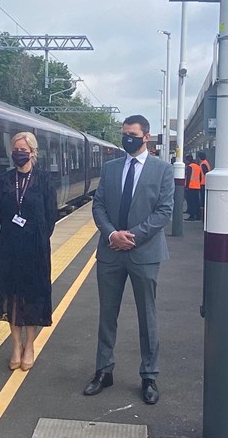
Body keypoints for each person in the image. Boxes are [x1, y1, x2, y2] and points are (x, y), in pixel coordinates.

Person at [83, 115, 174, 405]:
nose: (127, 139)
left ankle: (149, 375)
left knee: (147, 316)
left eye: (132, 134)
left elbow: (164, 211)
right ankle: (103, 370)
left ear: (146, 136)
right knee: (107, 315)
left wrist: (131, 236)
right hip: (110, 252)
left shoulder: (163, 170)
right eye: (124, 134)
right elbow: (98, 205)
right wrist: (112, 235)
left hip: (144, 253)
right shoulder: (110, 169)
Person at [0, 131, 57, 372]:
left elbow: (51, 214)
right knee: (12, 296)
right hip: (9, 248)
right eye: (15, 149)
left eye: (23, 149)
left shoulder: (44, 180)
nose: (19, 153)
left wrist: (36, 236)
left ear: (32, 152)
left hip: (36, 248)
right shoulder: (5, 180)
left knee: (33, 295)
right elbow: (2, 211)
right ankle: (15, 345)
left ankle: (30, 345)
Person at [184, 154, 201, 221]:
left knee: (191, 202)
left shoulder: (190, 167)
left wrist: (187, 186)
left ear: (188, 160)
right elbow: (199, 177)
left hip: (191, 186)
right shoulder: (197, 166)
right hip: (197, 186)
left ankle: (192, 216)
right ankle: (198, 216)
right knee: (196, 202)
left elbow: (188, 177)